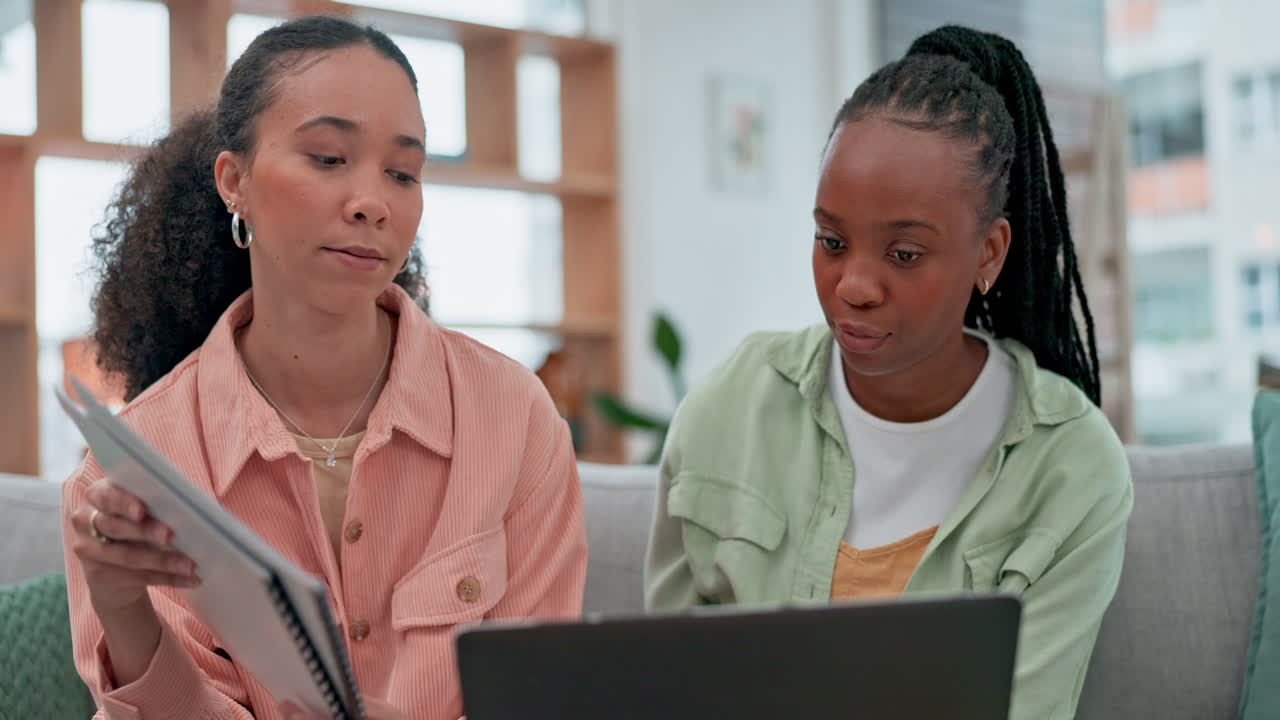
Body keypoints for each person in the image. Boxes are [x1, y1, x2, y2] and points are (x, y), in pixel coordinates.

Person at [61, 15, 586, 720]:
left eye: (403, 172)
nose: (372, 202)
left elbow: (547, 697)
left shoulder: (514, 417)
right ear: (233, 181)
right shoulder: (131, 472)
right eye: (329, 158)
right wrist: (126, 616)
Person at [645, 25, 1132, 720]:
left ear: (988, 254)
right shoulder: (732, 405)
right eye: (832, 242)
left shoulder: (1069, 465)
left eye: (903, 254)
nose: (854, 286)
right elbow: (662, 680)